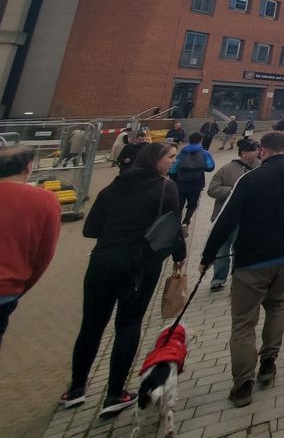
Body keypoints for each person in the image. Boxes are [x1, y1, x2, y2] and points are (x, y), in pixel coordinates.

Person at [200, 131, 284, 407]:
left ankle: (243, 382)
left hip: (253, 259)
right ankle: (268, 362)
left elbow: (225, 220)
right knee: (277, 304)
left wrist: (207, 256)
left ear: (262, 151)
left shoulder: (250, 179)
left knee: (244, 321)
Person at [62, 143, 186, 415]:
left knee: (92, 325)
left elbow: (90, 228)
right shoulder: (166, 189)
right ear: (156, 160)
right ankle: (115, 393)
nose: (173, 162)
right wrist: (180, 256)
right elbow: (172, 228)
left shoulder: (112, 188)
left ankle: (76, 388)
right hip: (139, 266)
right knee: (129, 324)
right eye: (171, 157)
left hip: (102, 262)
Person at [0, 146, 61, 348]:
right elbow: (44, 255)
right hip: (6, 290)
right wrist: (20, 287)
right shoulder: (45, 200)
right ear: (28, 167)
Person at [206, 139, 259, 291]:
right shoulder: (226, 169)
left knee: (241, 248)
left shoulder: (260, 167)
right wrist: (231, 191)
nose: (257, 152)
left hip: (247, 217)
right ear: (243, 153)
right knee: (222, 249)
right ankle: (218, 279)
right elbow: (212, 189)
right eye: (254, 150)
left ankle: (239, 276)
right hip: (225, 216)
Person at [169, 132, 216, 231]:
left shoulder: (182, 153)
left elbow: (172, 169)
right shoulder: (204, 153)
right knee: (193, 204)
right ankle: (186, 222)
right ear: (200, 141)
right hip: (196, 184)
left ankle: (177, 223)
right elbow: (210, 167)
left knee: (179, 204)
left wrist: (174, 179)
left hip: (181, 183)